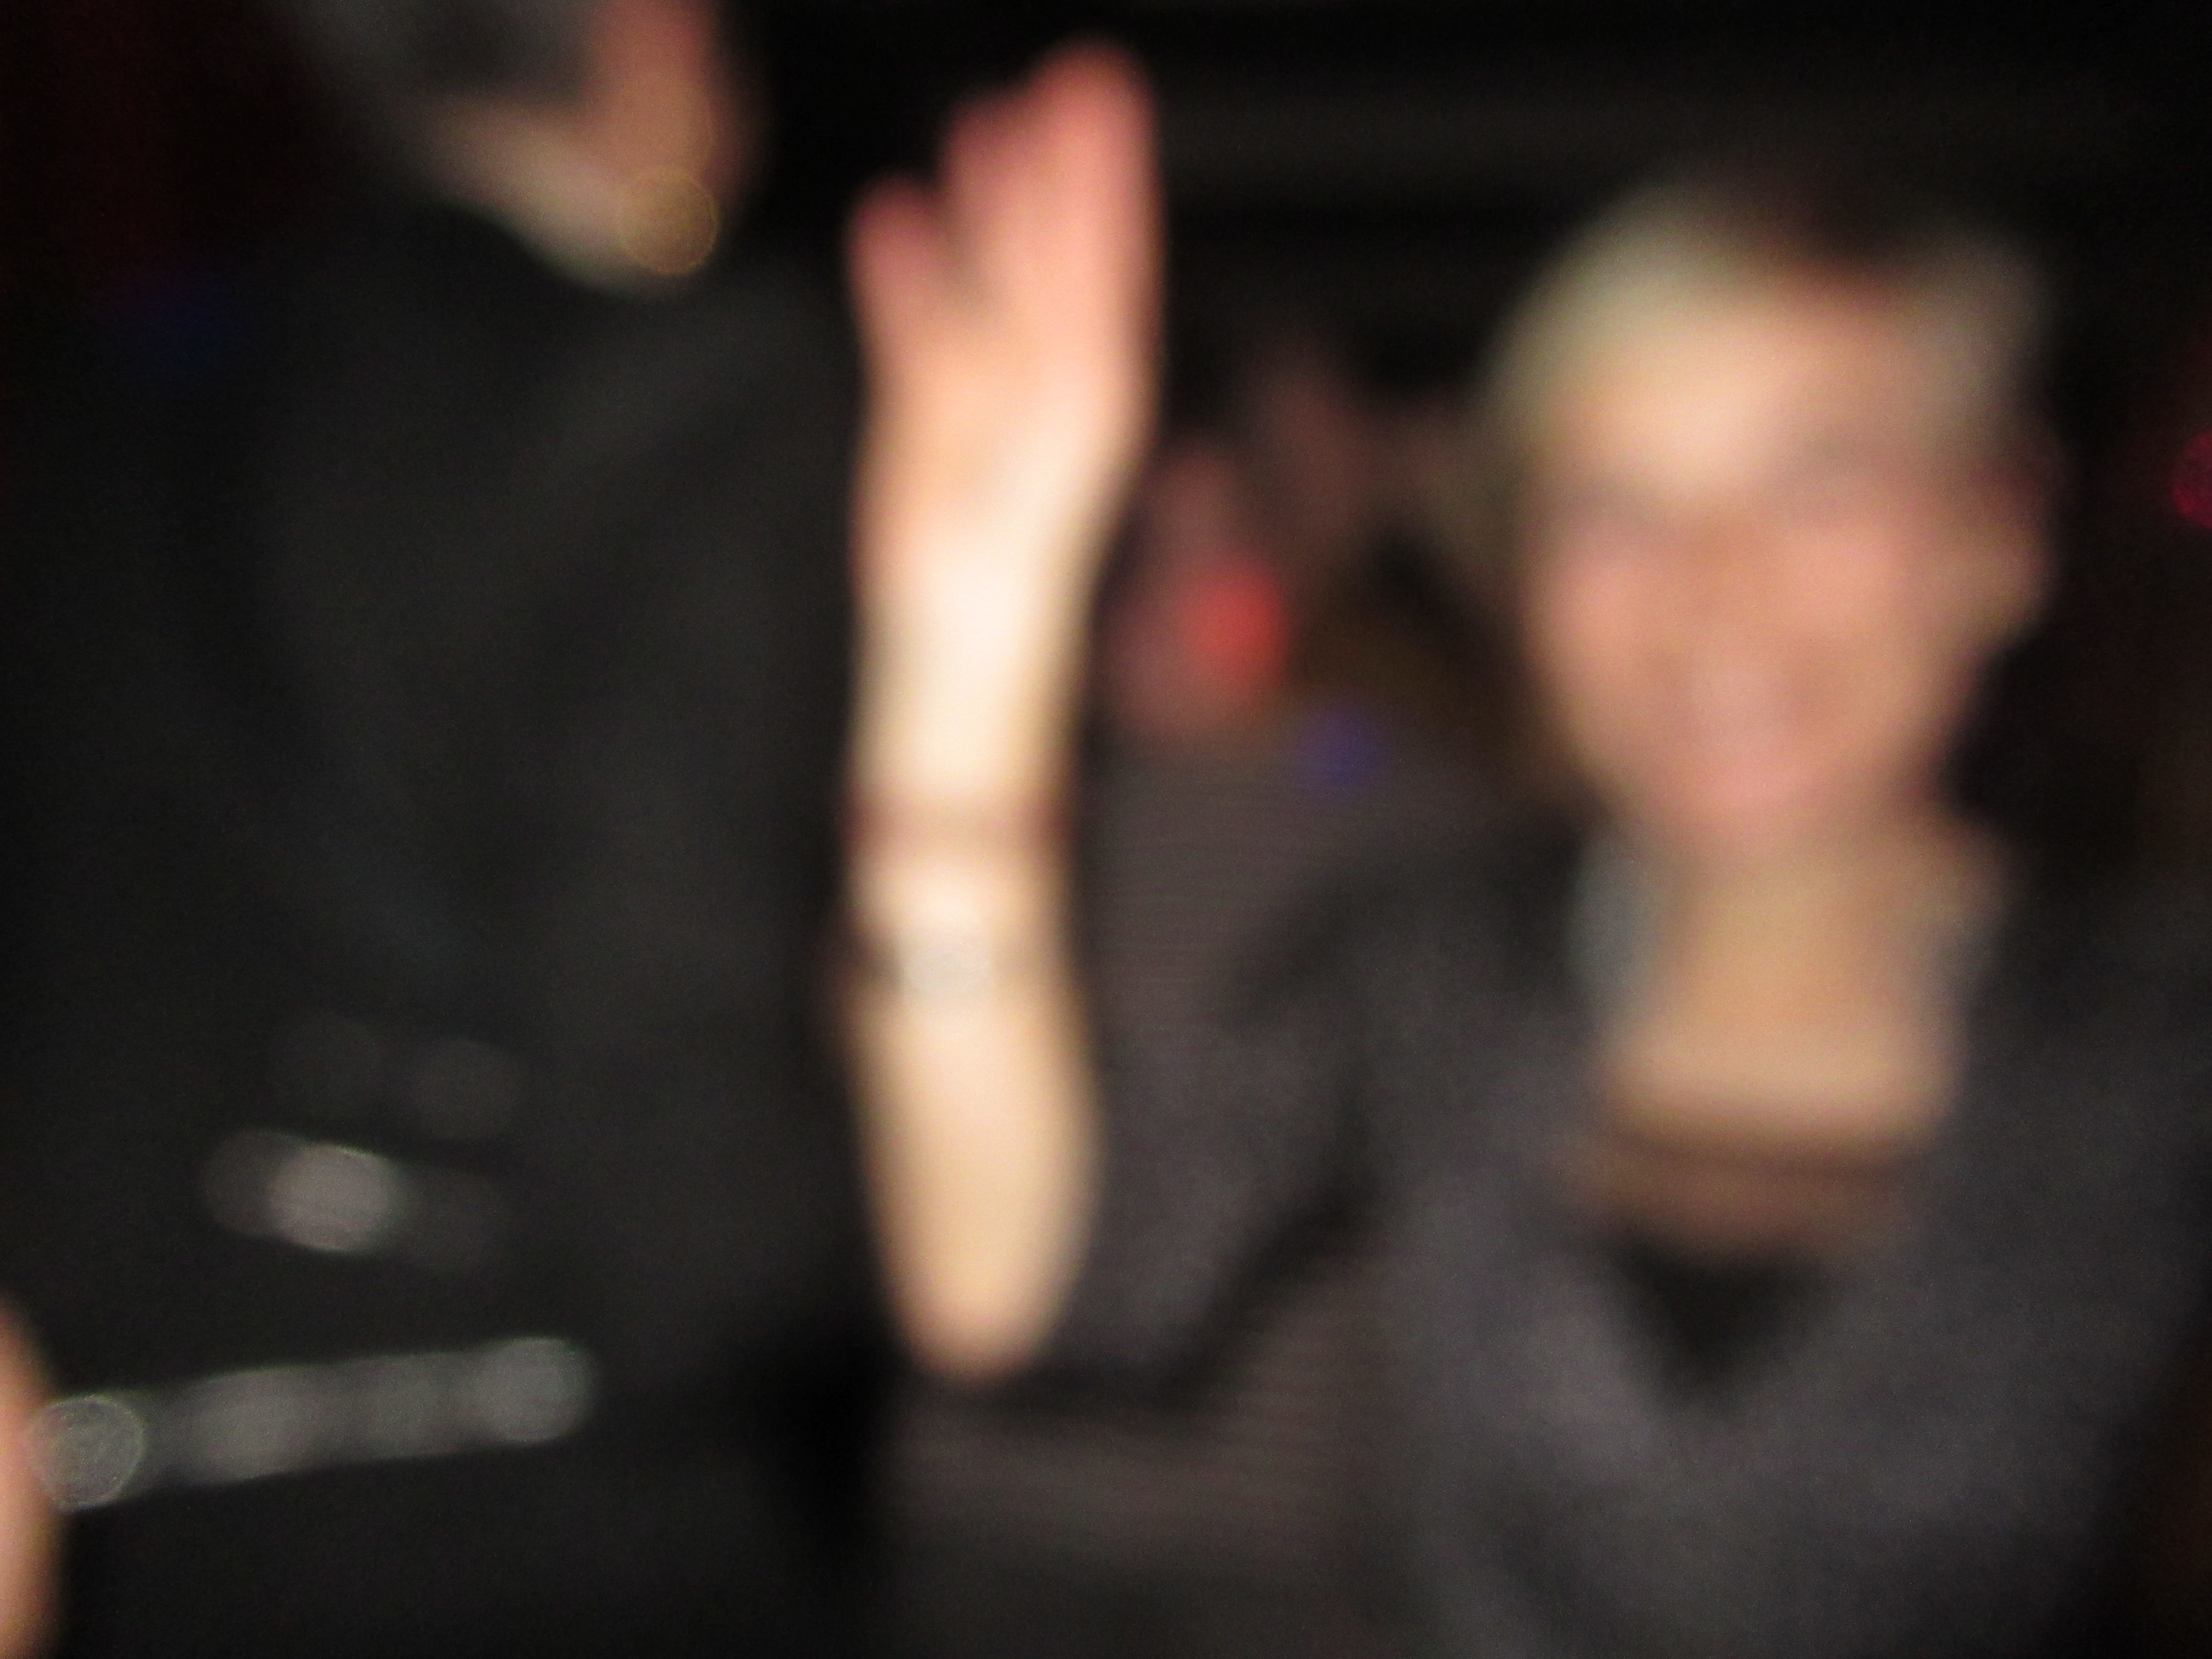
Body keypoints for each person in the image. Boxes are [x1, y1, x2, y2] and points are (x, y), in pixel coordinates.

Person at [846, 51, 2212, 1656]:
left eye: (1817, 481)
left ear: (1999, 536)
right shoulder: (1442, 965)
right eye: (1612, 505)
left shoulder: (2159, 1034)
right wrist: (967, 640)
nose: (1708, 590)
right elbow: (1013, 1285)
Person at [0, 1, 881, 1651]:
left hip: (114, 1521)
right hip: (535, 1531)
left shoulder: (94, 406)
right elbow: (710, 1225)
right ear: (649, 36)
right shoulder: (699, 385)